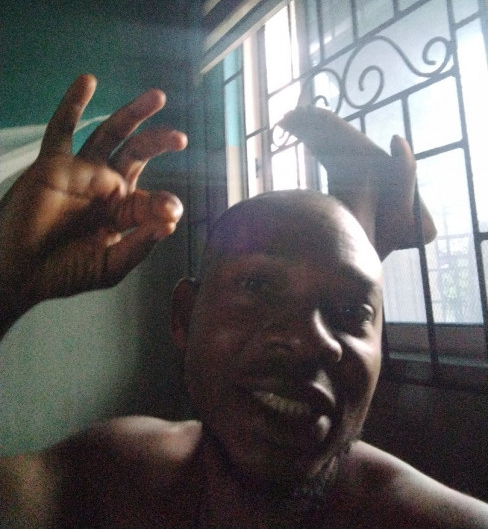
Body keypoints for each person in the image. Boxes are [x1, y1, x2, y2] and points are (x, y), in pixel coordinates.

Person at [0, 74, 487, 528]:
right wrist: (6, 279)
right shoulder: (108, 480)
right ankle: (371, 205)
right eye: (257, 288)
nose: (307, 341)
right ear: (184, 316)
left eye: (351, 312)